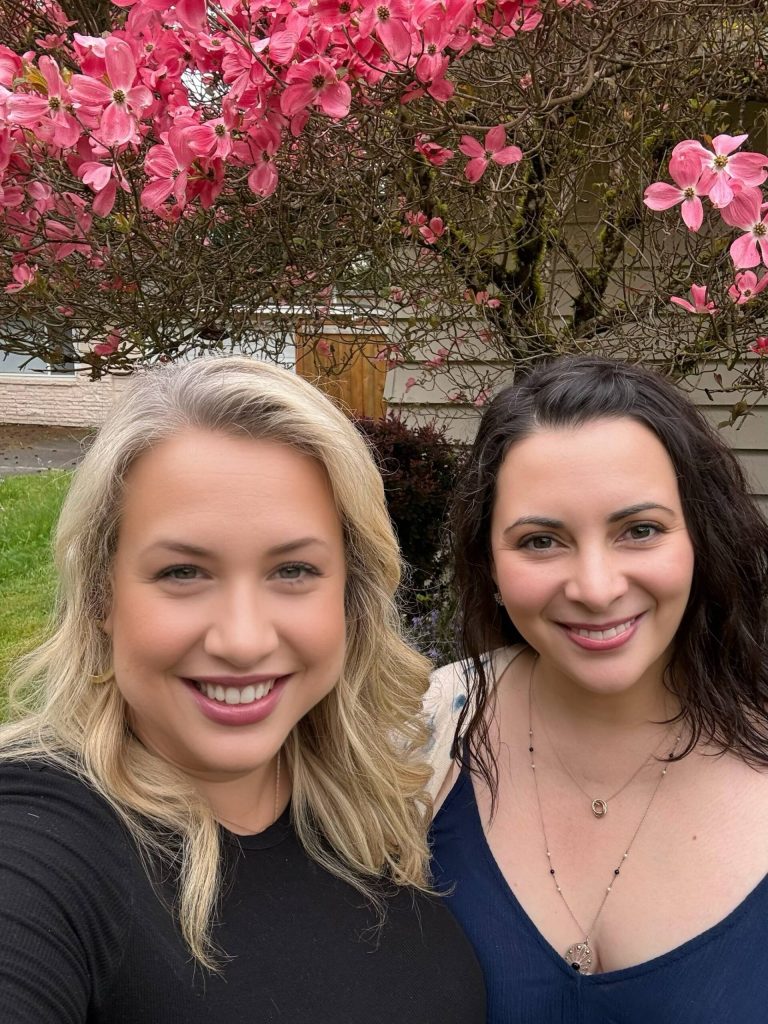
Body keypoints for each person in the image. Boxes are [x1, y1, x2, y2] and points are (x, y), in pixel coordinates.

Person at [0, 356, 486, 1024]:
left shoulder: (370, 812)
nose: (243, 639)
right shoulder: (44, 836)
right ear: (101, 597)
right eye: (182, 572)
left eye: (292, 569)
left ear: (350, 596)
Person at [427, 355, 768, 1022]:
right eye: (542, 540)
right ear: (488, 563)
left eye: (638, 530)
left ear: (700, 537)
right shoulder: (424, 737)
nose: (595, 587)